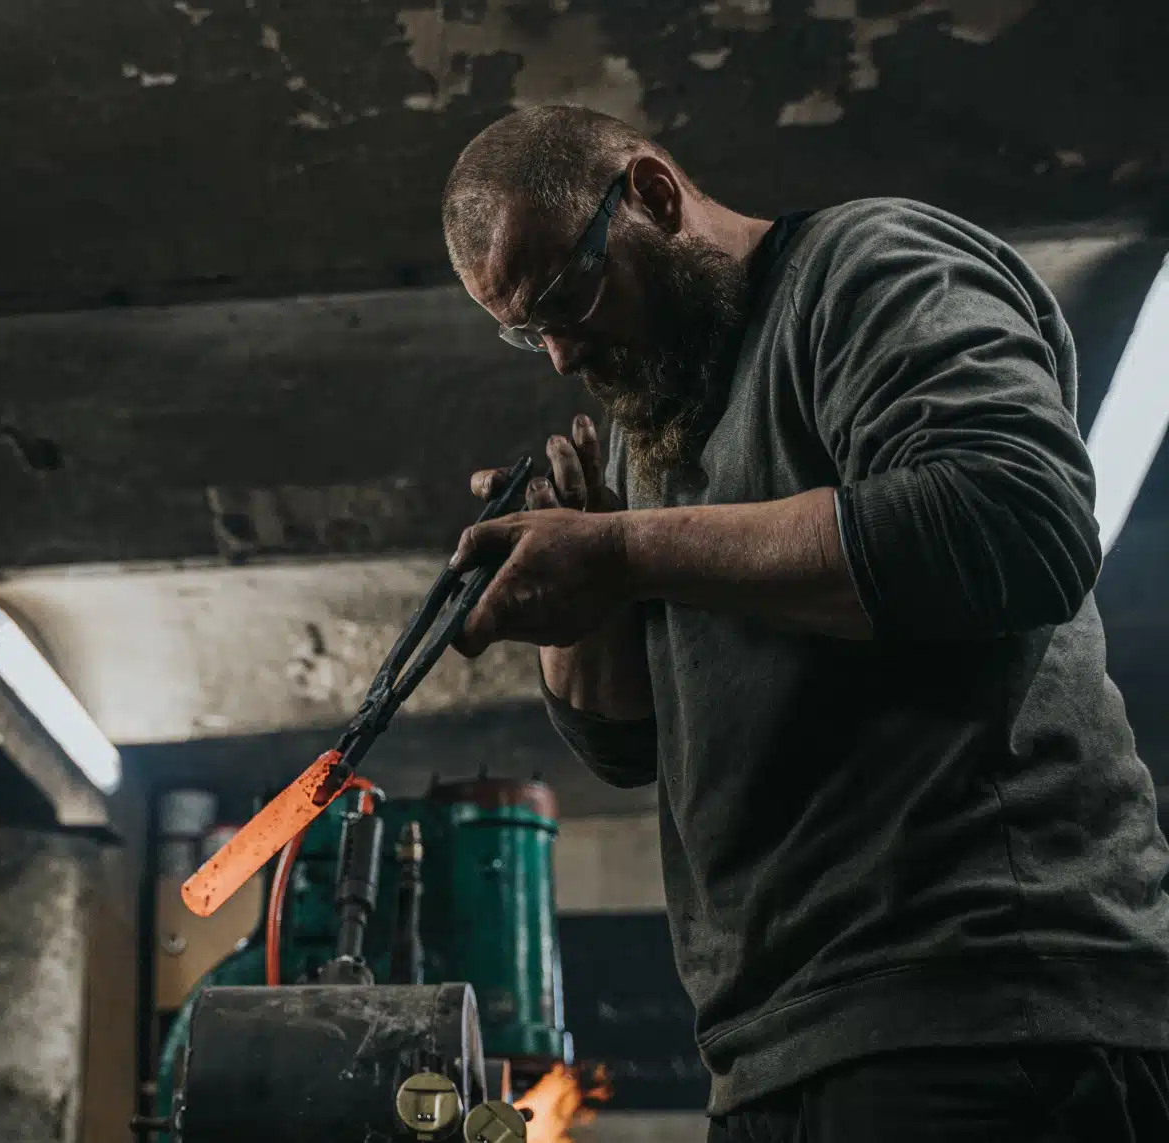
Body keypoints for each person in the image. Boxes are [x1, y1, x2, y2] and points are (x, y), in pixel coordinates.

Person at [443, 105, 1169, 1141]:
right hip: (770, 1046)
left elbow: (1018, 522)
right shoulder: (648, 429)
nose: (558, 355)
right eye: (526, 329)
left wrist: (623, 552)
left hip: (985, 1006)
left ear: (651, 195)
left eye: (567, 295)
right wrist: (583, 608)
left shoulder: (867, 271)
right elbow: (626, 748)